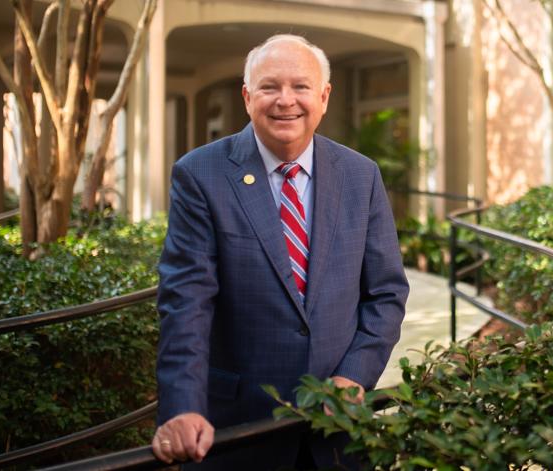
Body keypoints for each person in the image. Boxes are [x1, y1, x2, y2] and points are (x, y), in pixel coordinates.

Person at [151, 34, 409, 470]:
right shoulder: (200, 175)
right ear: (247, 96)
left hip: (336, 429)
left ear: (324, 97)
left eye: (301, 87)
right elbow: (186, 303)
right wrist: (182, 406)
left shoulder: (360, 175)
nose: (285, 101)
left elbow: (385, 294)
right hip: (240, 429)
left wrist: (354, 376)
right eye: (269, 87)